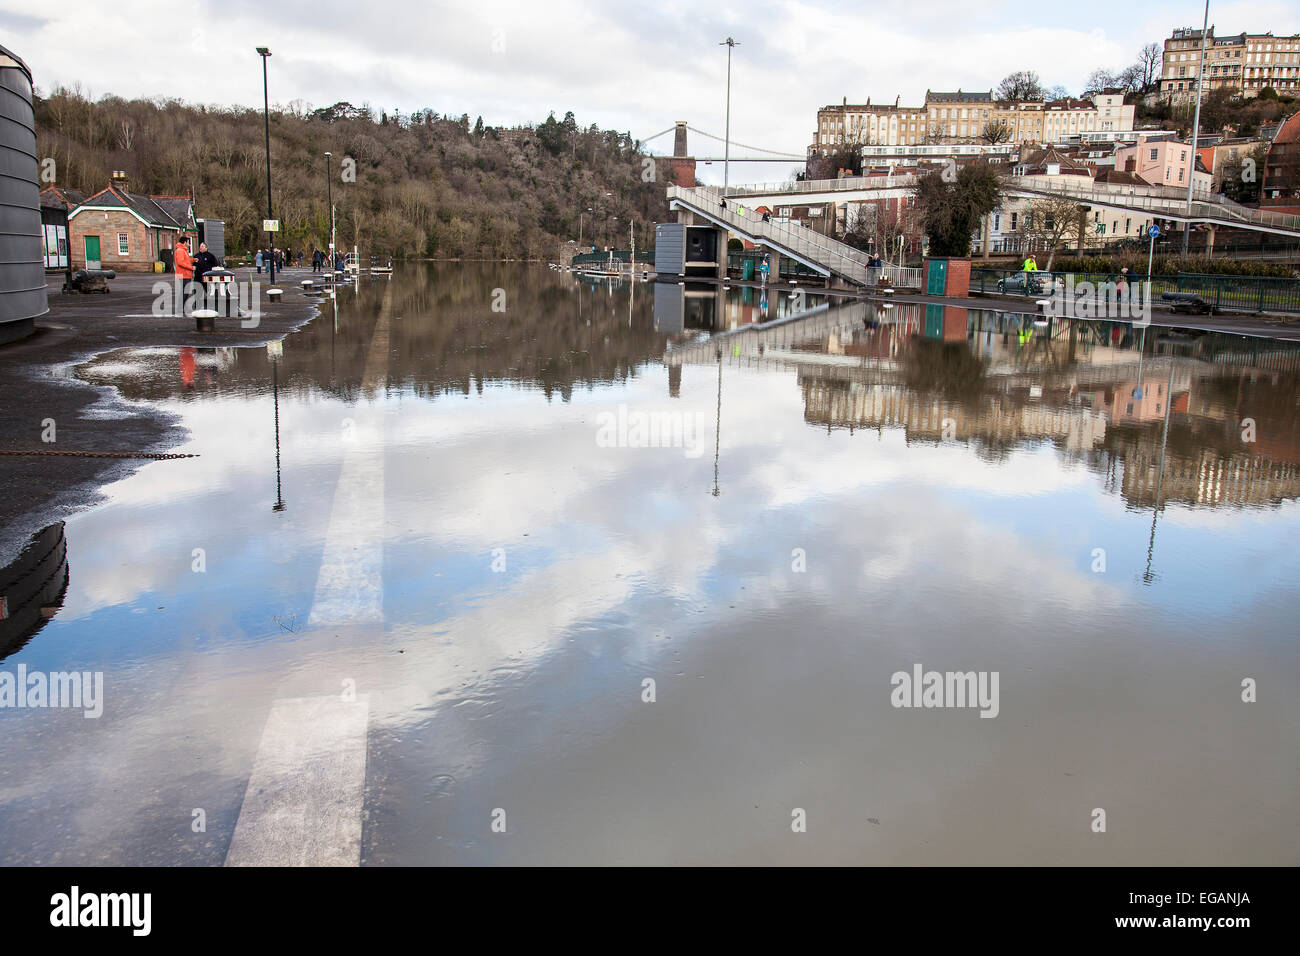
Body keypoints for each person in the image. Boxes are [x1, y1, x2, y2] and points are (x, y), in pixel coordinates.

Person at [173, 238, 195, 312]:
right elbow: (180, 262)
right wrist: (191, 267)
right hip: (183, 274)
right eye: (188, 242)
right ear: (185, 242)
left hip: (184, 274)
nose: (189, 244)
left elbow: (185, 261)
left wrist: (193, 260)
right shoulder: (180, 250)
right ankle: (180, 307)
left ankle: (181, 307)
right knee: (184, 291)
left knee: (184, 291)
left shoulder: (183, 250)